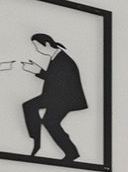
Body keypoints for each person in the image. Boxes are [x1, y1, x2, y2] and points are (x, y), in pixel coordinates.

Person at [17, 33, 87, 162]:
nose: (37, 49)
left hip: (65, 98)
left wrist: (38, 71)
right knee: (48, 120)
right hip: (57, 96)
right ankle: (68, 151)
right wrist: (39, 71)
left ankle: (37, 142)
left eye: (37, 46)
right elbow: (55, 78)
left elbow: (58, 80)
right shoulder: (57, 57)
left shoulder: (63, 60)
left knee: (41, 115)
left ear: (47, 44)